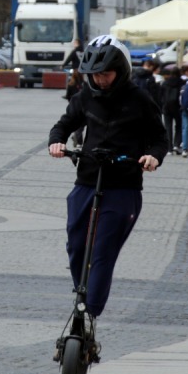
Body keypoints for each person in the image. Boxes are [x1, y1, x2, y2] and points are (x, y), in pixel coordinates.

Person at [47, 35, 165, 352]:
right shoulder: (86, 96)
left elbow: (159, 138)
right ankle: (81, 296)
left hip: (122, 188)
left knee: (101, 250)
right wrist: (56, 142)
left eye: (106, 74)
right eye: (95, 75)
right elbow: (63, 125)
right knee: (75, 244)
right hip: (86, 181)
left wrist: (153, 157)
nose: (100, 80)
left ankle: (88, 312)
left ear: (121, 70)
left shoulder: (140, 99)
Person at [159, 65, 185, 156]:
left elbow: (161, 96)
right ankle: (177, 144)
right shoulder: (182, 83)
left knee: (168, 127)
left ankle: (169, 148)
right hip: (178, 107)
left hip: (166, 107)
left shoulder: (165, 83)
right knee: (179, 126)